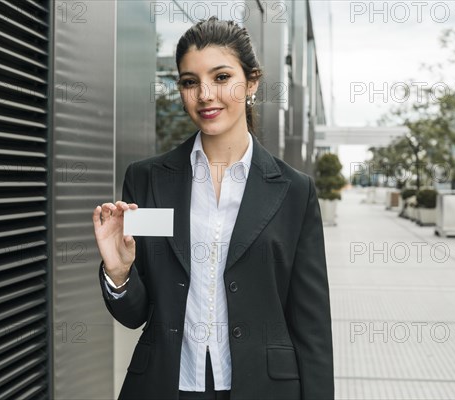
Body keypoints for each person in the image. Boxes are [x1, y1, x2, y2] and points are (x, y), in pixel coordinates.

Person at [92, 16, 334, 400]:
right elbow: (135, 314)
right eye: (190, 82)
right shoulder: (147, 179)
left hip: (262, 388)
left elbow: (312, 325)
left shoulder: (294, 191)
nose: (205, 94)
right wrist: (119, 273)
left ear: (252, 82)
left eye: (221, 77)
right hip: (166, 385)